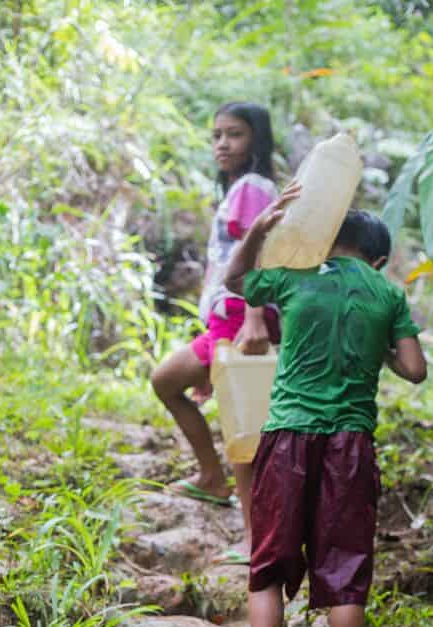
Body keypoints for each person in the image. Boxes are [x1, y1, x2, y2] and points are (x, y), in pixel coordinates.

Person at [224, 194, 427, 627]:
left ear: (330, 241)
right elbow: (414, 368)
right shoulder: (388, 292)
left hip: (288, 436)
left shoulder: (295, 276)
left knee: (268, 563)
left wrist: (258, 234)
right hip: (351, 445)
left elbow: (235, 282)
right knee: (347, 568)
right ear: (378, 259)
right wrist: (378, 339)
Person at [151, 102, 280, 562]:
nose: (223, 144)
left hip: (240, 318)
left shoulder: (253, 189)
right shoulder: (240, 189)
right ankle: (210, 476)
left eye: (235, 134)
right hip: (224, 320)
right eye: (217, 135)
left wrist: (254, 315)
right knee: (168, 381)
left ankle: (253, 538)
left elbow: (259, 255)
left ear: (257, 140)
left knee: (241, 427)